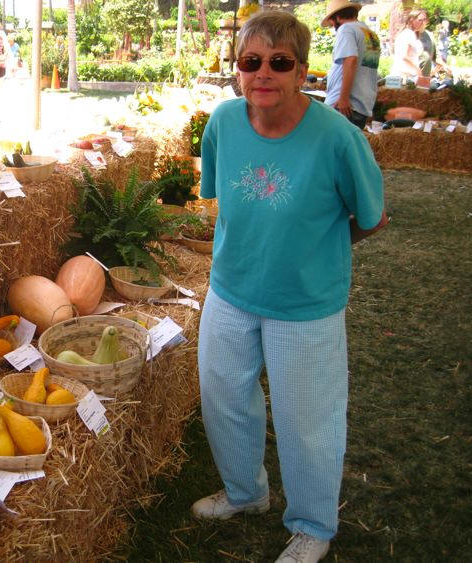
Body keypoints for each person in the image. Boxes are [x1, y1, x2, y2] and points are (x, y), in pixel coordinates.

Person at [195, 11, 388, 563]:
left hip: (305, 306)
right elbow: (219, 198)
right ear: (238, 69)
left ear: (302, 70)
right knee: (224, 399)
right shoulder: (223, 123)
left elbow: (371, 218)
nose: (263, 74)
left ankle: (312, 527)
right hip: (229, 291)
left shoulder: (338, 138)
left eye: (279, 62)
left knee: (309, 422)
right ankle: (245, 494)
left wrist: (314, 252)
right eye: (251, 61)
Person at [322, 0, 380, 130]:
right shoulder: (369, 33)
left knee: (330, 147)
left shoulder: (346, 29)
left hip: (344, 104)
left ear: (337, 17)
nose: (332, 25)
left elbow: (351, 60)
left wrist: (343, 98)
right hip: (362, 103)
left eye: (331, 21)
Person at [389, 11, 424, 80]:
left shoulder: (408, 33)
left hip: (404, 76)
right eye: (420, 20)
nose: (422, 23)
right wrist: (418, 70)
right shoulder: (408, 34)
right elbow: (404, 57)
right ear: (411, 20)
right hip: (403, 76)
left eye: (423, 20)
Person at [415, 11, 449, 77]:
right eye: (419, 20)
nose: (422, 22)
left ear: (427, 21)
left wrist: (445, 66)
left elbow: (436, 57)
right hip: (413, 75)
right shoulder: (411, 35)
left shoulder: (430, 35)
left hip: (426, 76)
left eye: (424, 19)